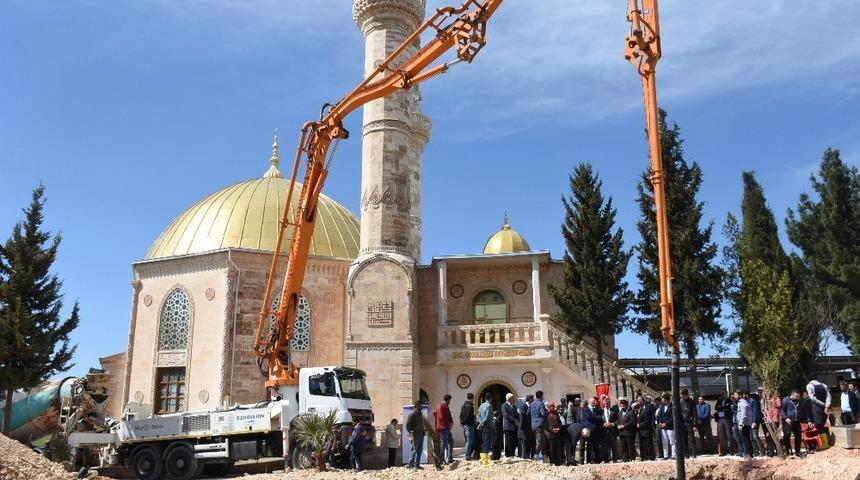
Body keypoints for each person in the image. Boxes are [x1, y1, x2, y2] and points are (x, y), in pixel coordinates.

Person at [433, 393, 454, 464]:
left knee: (450, 442)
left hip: (446, 427)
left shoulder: (446, 406)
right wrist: (448, 424)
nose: (450, 401)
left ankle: (450, 458)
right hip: (443, 427)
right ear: (448, 400)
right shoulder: (440, 406)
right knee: (443, 443)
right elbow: (441, 417)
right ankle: (441, 459)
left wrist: (451, 422)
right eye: (450, 400)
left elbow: (449, 415)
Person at [780, 389, 803, 457]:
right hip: (788, 422)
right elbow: (782, 411)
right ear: (792, 395)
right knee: (787, 436)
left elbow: (802, 410)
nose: (797, 398)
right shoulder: (785, 400)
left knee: (798, 437)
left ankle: (798, 452)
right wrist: (786, 418)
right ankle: (787, 451)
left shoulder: (800, 401)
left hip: (797, 421)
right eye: (796, 396)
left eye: (798, 396)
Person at [582, 396, 604, 463]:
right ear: (589, 402)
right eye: (593, 402)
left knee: (596, 446)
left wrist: (595, 417)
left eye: (594, 402)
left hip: (596, 431)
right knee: (589, 446)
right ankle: (589, 460)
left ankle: (597, 460)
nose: (594, 403)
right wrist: (595, 417)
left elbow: (600, 418)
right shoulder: (585, 409)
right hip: (589, 430)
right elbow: (588, 417)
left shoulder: (596, 410)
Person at [530, 390, 549, 462]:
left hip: (533, 424)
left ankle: (544, 456)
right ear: (541, 396)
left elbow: (528, 413)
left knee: (543, 440)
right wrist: (548, 411)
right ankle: (535, 455)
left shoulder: (532, 403)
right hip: (539, 424)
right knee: (540, 441)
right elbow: (543, 413)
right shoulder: (540, 403)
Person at [405, 400, 425, 470]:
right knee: (414, 450)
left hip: (421, 434)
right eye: (420, 405)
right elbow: (407, 425)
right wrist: (411, 431)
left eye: (421, 405)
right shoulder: (412, 414)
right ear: (416, 406)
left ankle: (417, 465)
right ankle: (411, 465)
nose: (421, 407)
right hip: (415, 434)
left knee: (420, 450)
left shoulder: (421, 414)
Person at [476, 391, 494, 466]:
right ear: (491, 398)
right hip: (487, 426)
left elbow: (478, 416)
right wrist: (482, 423)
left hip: (482, 426)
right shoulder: (489, 406)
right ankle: (485, 461)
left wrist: (480, 423)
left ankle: (483, 459)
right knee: (487, 443)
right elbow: (486, 417)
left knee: (483, 442)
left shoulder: (481, 405)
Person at [735, 391, 753, 459]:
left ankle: (748, 454)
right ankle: (749, 453)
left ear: (740, 395)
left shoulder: (743, 403)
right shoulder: (740, 402)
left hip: (744, 424)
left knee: (745, 439)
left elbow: (744, 414)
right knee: (745, 439)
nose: (734, 396)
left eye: (736, 395)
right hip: (743, 423)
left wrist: (740, 424)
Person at [656, 393, 675, 460]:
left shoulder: (672, 406)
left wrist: (666, 423)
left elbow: (673, 417)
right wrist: (660, 423)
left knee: (672, 441)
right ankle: (666, 455)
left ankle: (673, 455)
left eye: (663, 399)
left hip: (670, 427)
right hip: (663, 427)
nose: (662, 401)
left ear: (667, 400)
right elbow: (660, 415)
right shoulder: (662, 406)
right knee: (664, 441)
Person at [714, 390, 733, 456]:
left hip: (726, 418)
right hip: (720, 419)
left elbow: (728, 407)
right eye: (720, 393)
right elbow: (715, 407)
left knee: (729, 435)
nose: (721, 395)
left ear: (725, 394)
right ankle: (723, 451)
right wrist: (722, 407)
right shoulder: (719, 400)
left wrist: (721, 407)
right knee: (722, 435)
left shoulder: (729, 400)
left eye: (722, 393)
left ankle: (730, 450)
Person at [763, 389, 781, 456]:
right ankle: (771, 451)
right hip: (768, 420)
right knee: (769, 437)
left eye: (768, 391)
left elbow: (778, 405)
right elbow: (765, 410)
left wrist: (771, 401)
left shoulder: (776, 398)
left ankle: (778, 450)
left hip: (775, 420)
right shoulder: (766, 400)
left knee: (775, 436)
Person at [680, 389, 697, 458]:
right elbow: (679, 412)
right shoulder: (681, 402)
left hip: (689, 422)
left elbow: (694, 414)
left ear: (686, 395)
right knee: (684, 438)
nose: (682, 397)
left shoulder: (692, 402)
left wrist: (694, 424)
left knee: (691, 438)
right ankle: (686, 454)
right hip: (683, 422)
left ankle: (694, 453)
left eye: (683, 396)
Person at [636, 396, 655, 460]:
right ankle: (644, 457)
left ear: (643, 401)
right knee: (642, 444)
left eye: (639, 401)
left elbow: (648, 420)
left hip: (647, 429)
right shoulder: (639, 409)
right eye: (637, 401)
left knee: (648, 443)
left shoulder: (647, 408)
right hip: (641, 431)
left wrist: (640, 425)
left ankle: (650, 457)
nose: (638, 402)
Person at [501, 392, 519, 458]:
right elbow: (505, 415)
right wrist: (514, 420)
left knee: (514, 440)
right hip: (508, 426)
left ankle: (512, 453)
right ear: (509, 399)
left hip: (514, 426)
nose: (514, 399)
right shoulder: (504, 405)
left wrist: (517, 420)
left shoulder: (514, 406)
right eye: (512, 398)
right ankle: (508, 454)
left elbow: (517, 415)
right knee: (508, 441)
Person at [459, 392, 476, 460]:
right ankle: (467, 456)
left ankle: (467, 454)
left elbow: (460, 415)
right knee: (469, 441)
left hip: (465, 425)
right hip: (469, 424)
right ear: (472, 398)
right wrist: (465, 421)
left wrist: (461, 422)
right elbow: (469, 415)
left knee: (467, 440)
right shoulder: (470, 405)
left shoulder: (464, 405)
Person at [603, 397, 620, 463]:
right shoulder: (601, 411)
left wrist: (613, 424)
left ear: (610, 403)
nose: (606, 404)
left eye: (608, 403)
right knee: (605, 445)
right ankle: (606, 460)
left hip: (612, 430)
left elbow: (618, 420)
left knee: (613, 445)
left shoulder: (614, 410)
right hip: (604, 431)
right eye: (605, 403)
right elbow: (599, 420)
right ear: (603, 403)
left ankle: (615, 459)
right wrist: (603, 424)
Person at [749, 390, 765, 456]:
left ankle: (762, 450)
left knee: (755, 436)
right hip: (751, 420)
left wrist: (754, 421)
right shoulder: (752, 401)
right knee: (752, 437)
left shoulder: (754, 401)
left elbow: (755, 412)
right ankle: (756, 451)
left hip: (754, 421)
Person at [519, 395, 534, 459]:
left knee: (530, 442)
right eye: (532, 399)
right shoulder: (523, 406)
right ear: (530, 400)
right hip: (524, 428)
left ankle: (529, 456)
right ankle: (525, 456)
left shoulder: (531, 406)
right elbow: (524, 416)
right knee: (525, 442)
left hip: (530, 427)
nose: (533, 400)